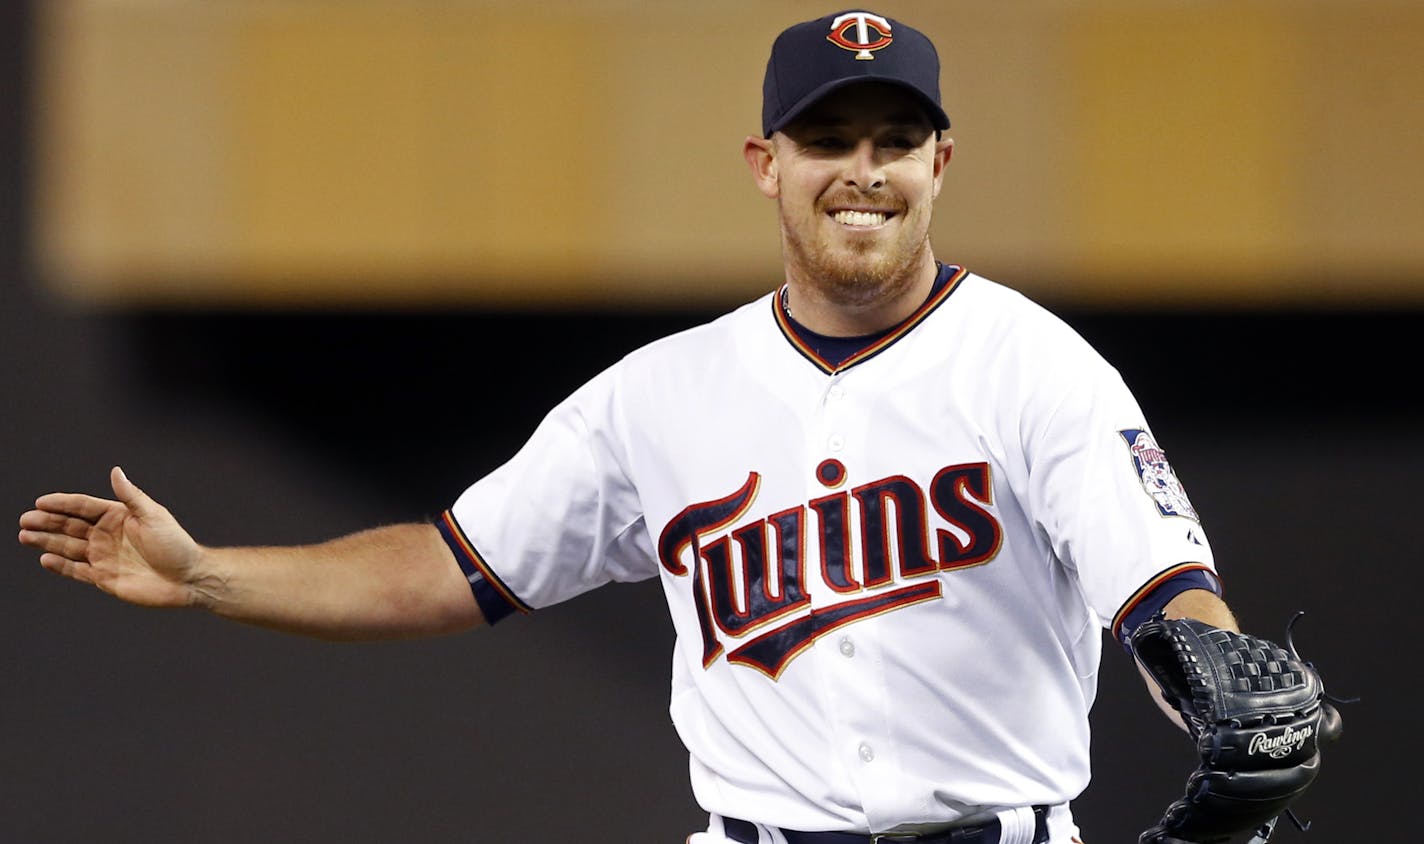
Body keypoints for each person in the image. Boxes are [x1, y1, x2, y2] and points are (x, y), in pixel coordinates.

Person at [17, 10, 1311, 844]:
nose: (863, 166)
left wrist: (1220, 684)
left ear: (939, 165)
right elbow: (458, 563)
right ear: (768, 163)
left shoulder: (1033, 364)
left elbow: (1159, 592)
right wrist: (207, 577)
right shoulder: (658, 395)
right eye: (829, 137)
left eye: (895, 138)